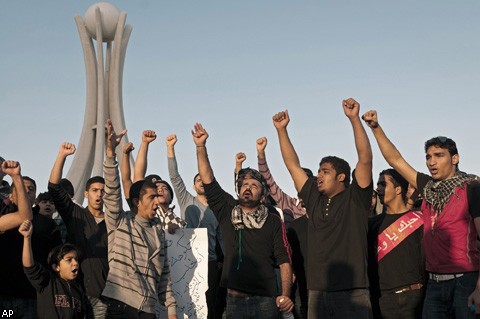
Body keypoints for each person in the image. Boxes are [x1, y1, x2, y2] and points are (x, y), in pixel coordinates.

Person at [362, 110, 480, 318]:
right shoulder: (428, 187)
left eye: (438, 156)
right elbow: (395, 159)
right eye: (428, 157)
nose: (431, 162)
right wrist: (375, 127)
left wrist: (479, 287)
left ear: (455, 158)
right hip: (434, 284)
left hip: (466, 281)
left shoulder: (472, 187)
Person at [273, 98, 373, 318]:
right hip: (317, 294)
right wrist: (281, 131)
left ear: (341, 177)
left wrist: (355, 119)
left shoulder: (356, 198)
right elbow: (292, 166)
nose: (318, 175)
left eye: (325, 171)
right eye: (318, 171)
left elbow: (365, 159)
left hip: (353, 292)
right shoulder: (313, 198)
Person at [192, 122, 293, 319]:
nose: (248, 187)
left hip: (266, 301)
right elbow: (208, 180)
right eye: (244, 184)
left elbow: (284, 260)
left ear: (263, 196)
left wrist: (286, 295)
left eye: (254, 185)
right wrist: (200, 147)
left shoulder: (272, 220)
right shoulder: (227, 209)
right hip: (234, 302)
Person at [101, 120, 177, 319]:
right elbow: (112, 191)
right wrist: (111, 154)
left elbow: (165, 273)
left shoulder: (158, 231)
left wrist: (171, 310)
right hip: (121, 305)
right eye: (151, 197)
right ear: (136, 201)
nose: (156, 201)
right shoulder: (120, 221)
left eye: (158, 197)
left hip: (148, 310)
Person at [48, 142, 109, 318]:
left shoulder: (114, 221)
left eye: (103, 191)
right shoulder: (75, 213)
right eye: (95, 190)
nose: (99, 194)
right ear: (85, 194)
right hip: (75, 293)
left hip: (104, 296)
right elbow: (53, 187)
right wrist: (62, 155)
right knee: (7, 314)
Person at [166, 133, 223, 319]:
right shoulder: (186, 200)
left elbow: (221, 238)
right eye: (197, 179)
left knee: (211, 306)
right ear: (193, 185)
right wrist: (170, 148)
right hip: (187, 260)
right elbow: (174, 177)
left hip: (211, 263)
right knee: (189, 304)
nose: (201, 181)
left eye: (203, 178)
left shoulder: (217, 208)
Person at [368, 169, 425, 319]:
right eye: (378, 184)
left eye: (383, 184)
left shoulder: (418, 220)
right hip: (384, 300)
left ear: (398, 189)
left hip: (415, 297)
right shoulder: (372, 224)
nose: (378, 189)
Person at [20, 220, 86, 319]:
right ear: (56, 267)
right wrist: (27, 238)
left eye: (76, 259)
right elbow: (29, 266)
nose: (75, 263)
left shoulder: (79, 289)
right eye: (69, 260)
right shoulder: (48, 282)